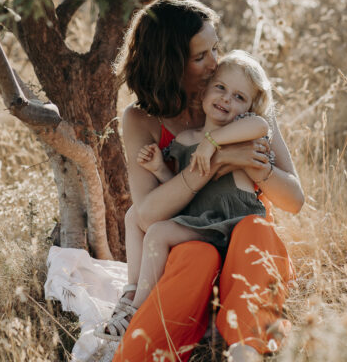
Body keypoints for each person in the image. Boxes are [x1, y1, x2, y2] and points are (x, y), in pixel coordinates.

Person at [112, 0, 304, 362]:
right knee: (195, 256)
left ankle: (247, 349)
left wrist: (257, 167)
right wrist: (220, 160)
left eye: (215, 48)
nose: (214, 63)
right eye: (200, 57)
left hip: (244, 246)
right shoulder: (141, 120)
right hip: (190, 246)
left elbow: (293, 199)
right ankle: (144, 351)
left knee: (256, 231)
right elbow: (149, 215)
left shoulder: (239, 95)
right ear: (169, 65)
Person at [95, 51, 274, 341]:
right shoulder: (184, 141)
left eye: (239, 97)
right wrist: (158, 168)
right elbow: (181, 186)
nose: (227, 99)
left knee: (158, 233)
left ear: (249, 108)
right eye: (221, 88)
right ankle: (131, 292)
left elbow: (262, 125)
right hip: (200, 219)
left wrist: (213, 142)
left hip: (231, 225)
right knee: (133, 216)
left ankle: (136, 311)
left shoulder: (241, 133)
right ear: (202, 92)